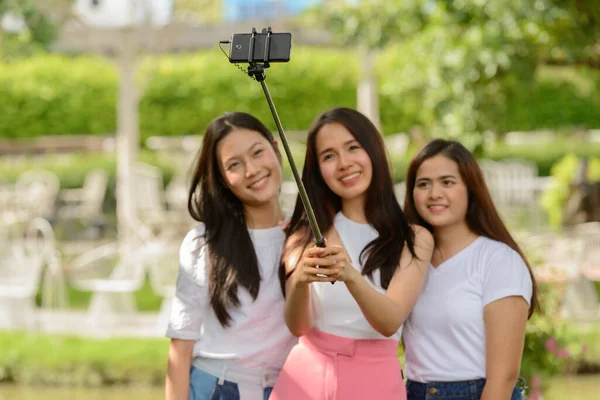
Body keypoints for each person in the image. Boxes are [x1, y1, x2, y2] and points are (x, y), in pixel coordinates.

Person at [270, 107, 434, 400]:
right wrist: (299, 282)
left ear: (372, 151)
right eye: (329, 156)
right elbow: (299, 326)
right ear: (318, 170)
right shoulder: (306, 233)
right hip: (305, 378)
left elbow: (389, 322)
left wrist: (350, 275)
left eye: (353, 148)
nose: (344, 163)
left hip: (374, 380)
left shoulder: (414, 238)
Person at [165, 112, 297, 400]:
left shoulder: (306, 234)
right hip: (219, 387)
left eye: (258, 153)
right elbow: (181, 343)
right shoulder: (204, 243)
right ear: (223, 180)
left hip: (291, 387)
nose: (252, 169)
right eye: (234, 165)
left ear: (276, 149)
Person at [401, 139, 539, 400]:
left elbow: (503, 377)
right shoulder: (409, 262)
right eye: (423, 184)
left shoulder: (498, 260)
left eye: (447, 182)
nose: (434, 194)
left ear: (470, 190)